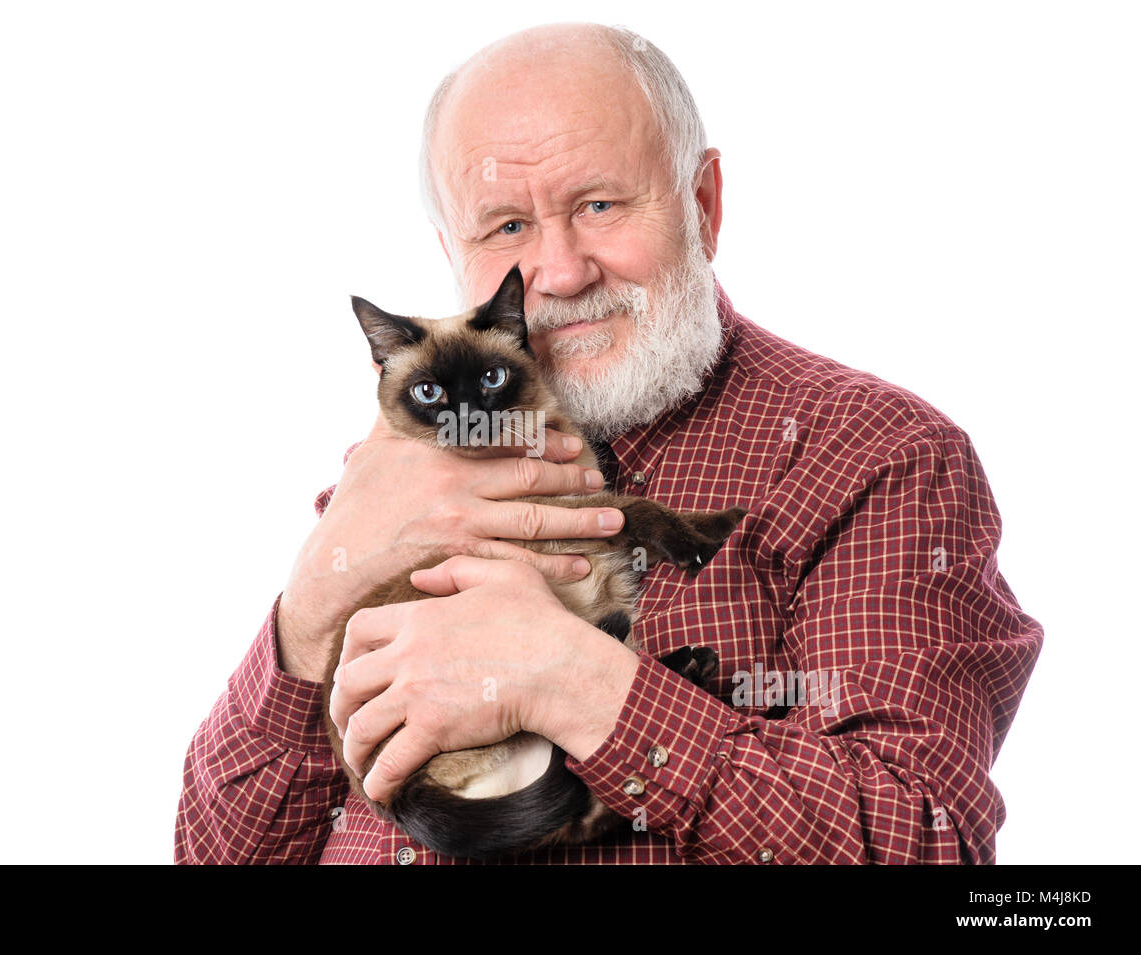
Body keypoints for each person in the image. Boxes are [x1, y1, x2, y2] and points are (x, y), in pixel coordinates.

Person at [173, 22, 1043, 864]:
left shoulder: (874, 453)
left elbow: (922, 841)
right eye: (506, 227)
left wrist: (578, 682)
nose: (559, 271)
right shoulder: (400, 469)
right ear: (453, 252)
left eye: (599, 204)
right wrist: (312, 603)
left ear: (703, 204)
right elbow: (217, 857)